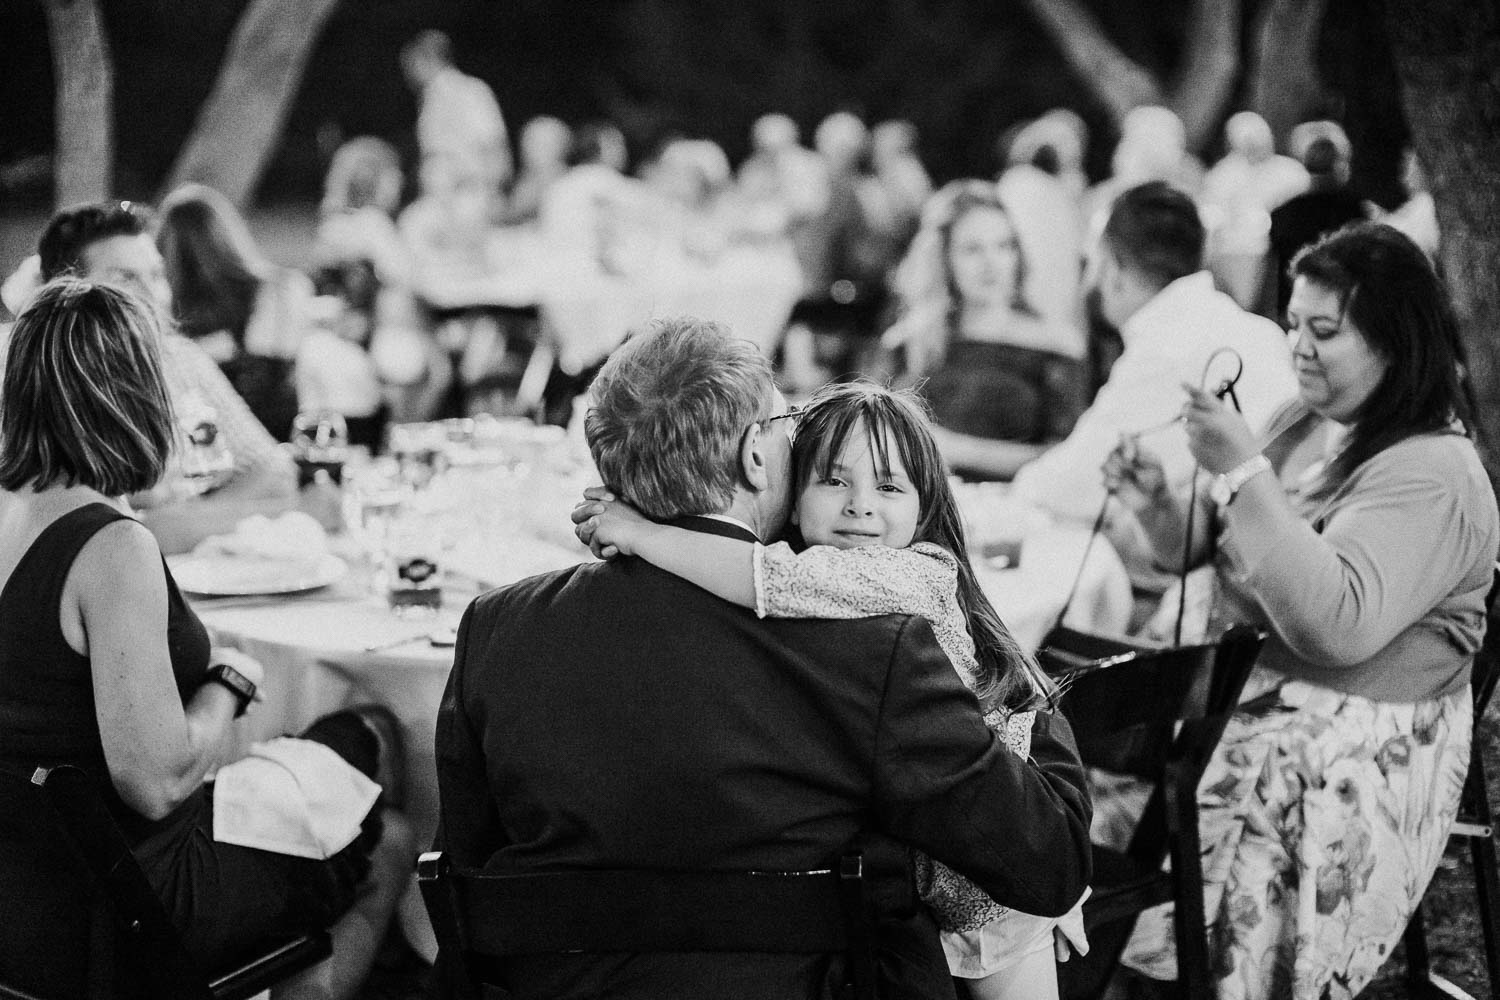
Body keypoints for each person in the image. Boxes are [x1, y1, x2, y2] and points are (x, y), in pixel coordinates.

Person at [434, 317, 1093, 999]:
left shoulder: (497, 628)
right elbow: (1048, 860)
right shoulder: (875, 645)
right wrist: (1019, 693)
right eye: (785, 428)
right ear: (754, 456)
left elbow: (465, 877)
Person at [1098, 222, 1498, 999]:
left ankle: (1186, 971)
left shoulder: (1432, 469)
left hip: (1354, 728)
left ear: (1394, 341)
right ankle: (1112, 954)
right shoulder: (1298, 423)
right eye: (1292, 326)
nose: (1300, 348)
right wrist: (1156, 507)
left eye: (1325, 330)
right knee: (1075, 761)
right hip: (1247, 695)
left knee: (1202, 785)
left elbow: (1334, 623)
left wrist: (1242, 470)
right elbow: (1217, 551)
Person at [0, 279, 411, 999]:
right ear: (133, 393)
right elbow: (155, 783)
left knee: (354, 753)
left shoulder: (14, 517)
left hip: (24, 890)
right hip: (120, 907)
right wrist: (229, 681)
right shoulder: (106, 547)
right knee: (387, 797)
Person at [1011, 182, 1297, 533]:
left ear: (1113, 272)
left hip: (1227, 548)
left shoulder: (1164, 348)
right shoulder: (1260, 331)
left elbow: (1076, 484)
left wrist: (1012, 493)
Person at [33, 200, 299, 554]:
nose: (153, 295)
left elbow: (275, 473)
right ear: (71, 295)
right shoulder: (57, 384)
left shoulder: (180, 358)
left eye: (156, 275)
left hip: (211, 578)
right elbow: (129, 536)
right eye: (125, 278)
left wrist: (192, 518)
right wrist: (273, 511)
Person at [883, 179, 1089, 481]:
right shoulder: (910, 341)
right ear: (944, 259)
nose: (991, 263)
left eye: (1004, 246)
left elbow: (1069, 459)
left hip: (1018, 513)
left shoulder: (1056, 346)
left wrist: (957, 450)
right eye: (972, 249)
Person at [157, 182, 312, 441]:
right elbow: (279, 371)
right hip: (269, 439)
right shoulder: (277, 290)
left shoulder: (161, 307)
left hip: (195, 445)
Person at [400, 28, 510, 210]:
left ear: (427, 59)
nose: (407, 74)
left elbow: (493, 142)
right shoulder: (430, 100)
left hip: (467, 194)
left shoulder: (470, 91)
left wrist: (493, 192)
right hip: (439, 198)